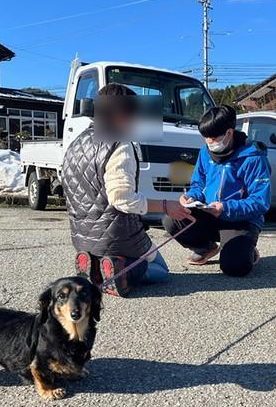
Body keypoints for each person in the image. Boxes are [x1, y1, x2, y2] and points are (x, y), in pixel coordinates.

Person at [62, 83, 192, 297]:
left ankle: (95, 266)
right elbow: (122, 199)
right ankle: (120, 270)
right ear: (122, 115)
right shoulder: (120, 145)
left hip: (81, 238)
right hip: (119, 237)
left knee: (105, 252)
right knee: (161, 271)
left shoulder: (76, 144)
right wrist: (167, 206)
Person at [162, 105, 271, 277]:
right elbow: (198, 184)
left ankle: (247, 248)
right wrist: (190, 197)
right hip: (209, 213)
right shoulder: (205, 152)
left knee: (235, 268)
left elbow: (260, 202)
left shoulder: (254, 158)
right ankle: (206, 247)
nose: (209, 142)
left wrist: (225, 208)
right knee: (172, 219)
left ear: (229, 133)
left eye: (213, 138)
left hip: (240, 220)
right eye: (205, 137)